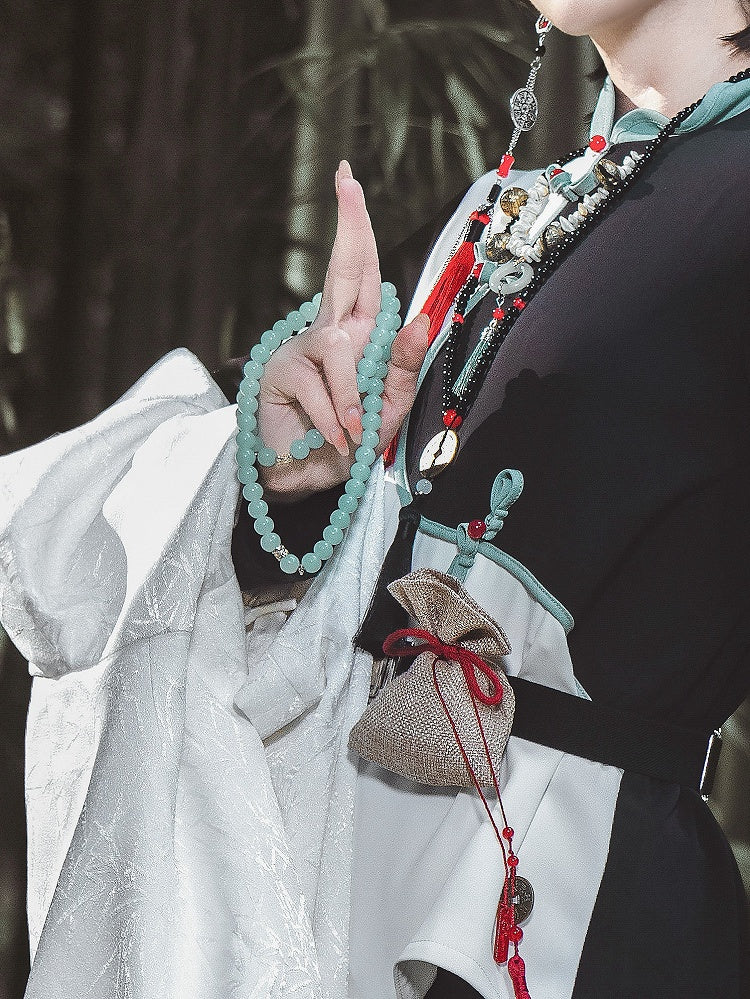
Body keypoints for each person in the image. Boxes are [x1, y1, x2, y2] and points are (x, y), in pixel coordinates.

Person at [1, 0, 749, 997]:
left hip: (579, 907)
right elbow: (357, 601)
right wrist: (306, 472)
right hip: (350, 869)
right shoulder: (505, 205)